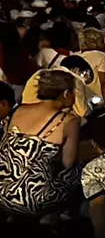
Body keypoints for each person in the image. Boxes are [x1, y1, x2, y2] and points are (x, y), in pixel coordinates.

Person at [0, 70, 80, 218]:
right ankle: (53, 216)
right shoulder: (68, 120)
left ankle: (13, 215)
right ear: (66, 93)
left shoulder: (19, 110)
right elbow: (67, 162)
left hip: (2, 195)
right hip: (33, 201)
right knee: (76, 170)